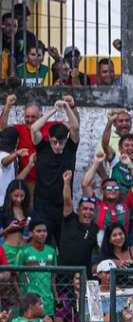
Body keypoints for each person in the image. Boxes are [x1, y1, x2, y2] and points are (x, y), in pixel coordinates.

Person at [30, 100, 79, 244]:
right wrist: (53, 110)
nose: (58, 146)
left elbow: (75, 127)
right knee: (41, 244)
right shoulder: (43, 147)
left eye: (61, 142)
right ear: (49, 139)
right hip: (42, 206)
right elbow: (33, 128)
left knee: (64, 244)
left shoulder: (70, 149)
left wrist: (67, 107)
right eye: (54, 142)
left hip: (63, 206)